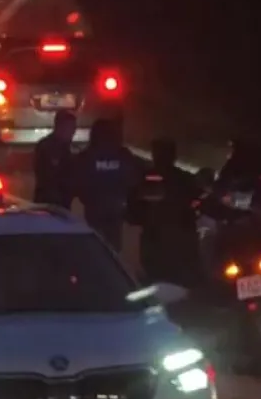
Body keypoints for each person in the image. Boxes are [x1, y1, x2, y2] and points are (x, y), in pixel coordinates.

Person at [128, 139, 199, 286]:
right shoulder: (184, 178)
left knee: (158, 275)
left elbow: (133, 209)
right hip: (167, 237)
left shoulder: (145, 177)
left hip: (161, 237)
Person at [75, 118, 138, 251]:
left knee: (95, 245)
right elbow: (132, 179)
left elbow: (79, 182)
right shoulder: (123, 155)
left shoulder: (87, 156)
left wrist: (88, 199)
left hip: (95, 208)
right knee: (113, 246)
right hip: (115, 207)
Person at [33, 110, 76, 208]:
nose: (73, 132)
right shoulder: (47, 147)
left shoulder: (66, 147)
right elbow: (47, 177)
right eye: (70, 128)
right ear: (60, 127)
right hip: (48, 201)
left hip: (62, 201)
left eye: (73, 128)